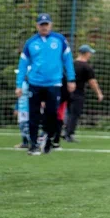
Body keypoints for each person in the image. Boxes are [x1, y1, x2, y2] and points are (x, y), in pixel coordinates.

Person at [15, 13, 76, 155]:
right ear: (37, 26)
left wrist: (71, 79)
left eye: (46, 24)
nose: (44, 27)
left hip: (54, 83)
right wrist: (19, 84)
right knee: (34, 115)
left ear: (51, 25)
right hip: (35, 83)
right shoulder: (30, 43)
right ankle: (33, 145)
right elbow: (23, 64)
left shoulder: (59, 40)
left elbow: (68, 60)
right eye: (42, 25)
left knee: (52, 114)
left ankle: (48, 139)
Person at [63, 45, 104, 143]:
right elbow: (92, 82)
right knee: (74, 114)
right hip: (78, 93)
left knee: (68, 112)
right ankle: (69, 134)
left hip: (67, 92)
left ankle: (65, 131)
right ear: (86, 53)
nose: (90, 55)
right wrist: (99, 93)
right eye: (90, 53)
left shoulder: (71, 64)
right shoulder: (86, 67)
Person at [15, 83, 30, 150]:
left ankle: (33, 143)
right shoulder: (20, 83)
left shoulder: (32, 82)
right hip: (21, 108)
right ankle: (25, 143)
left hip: (28, 108)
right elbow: (18, 97)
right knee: (22, 126)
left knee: (26, 127)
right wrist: (16, 107)